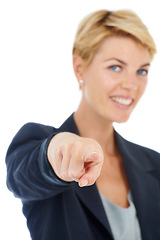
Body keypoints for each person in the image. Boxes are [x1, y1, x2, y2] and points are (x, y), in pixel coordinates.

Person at [5, 9, 160, 240]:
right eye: (115, 67)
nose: (131, 85)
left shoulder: (154, 163)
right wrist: (59, 149)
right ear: (79, 68)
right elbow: (24, 174)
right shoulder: (38, 141)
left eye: (141, 71)